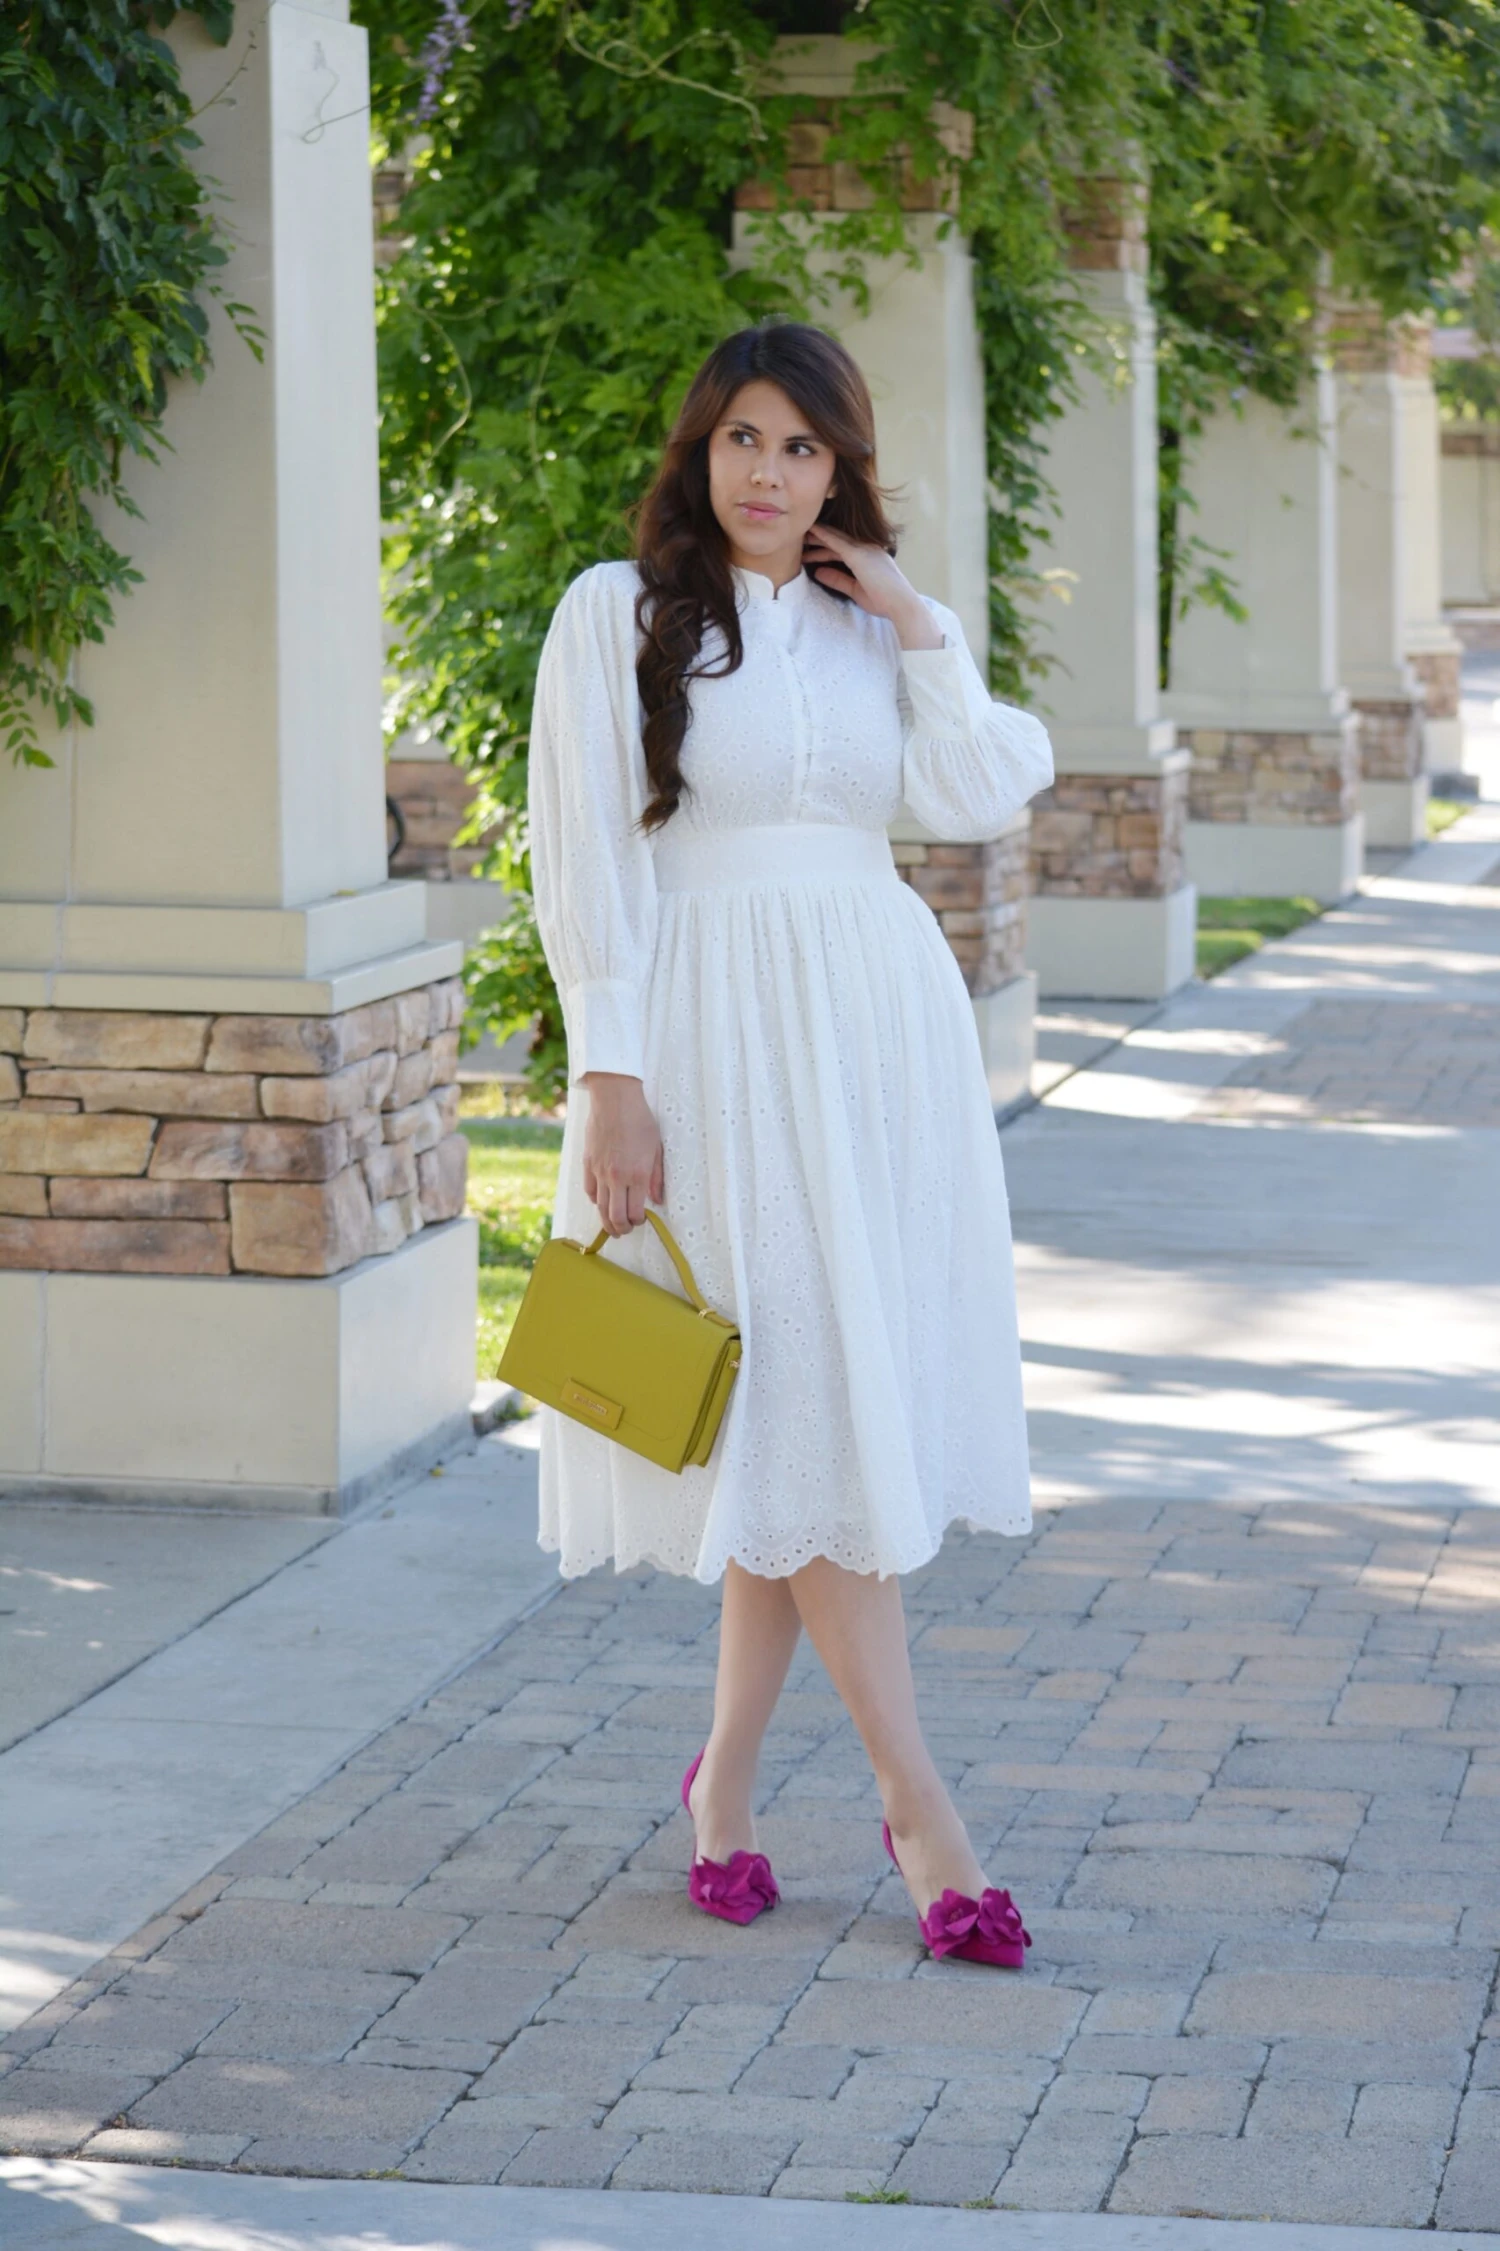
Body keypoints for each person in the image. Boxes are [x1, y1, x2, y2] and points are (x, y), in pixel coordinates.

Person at [528, 322, 1053, 1968]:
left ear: (842, 469)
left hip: (875, 1041)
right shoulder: (617, 615)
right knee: (801, 1404)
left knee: (800, 1418)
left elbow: (985, 787)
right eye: (744, 438)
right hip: (713, 1037)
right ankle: (921, 1809)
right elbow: (586, 860)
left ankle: (727, 1790)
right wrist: (612, 1074)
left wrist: (915, 619)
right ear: (701, 448)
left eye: (804, 447)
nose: (768, 472)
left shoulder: (868, 624)